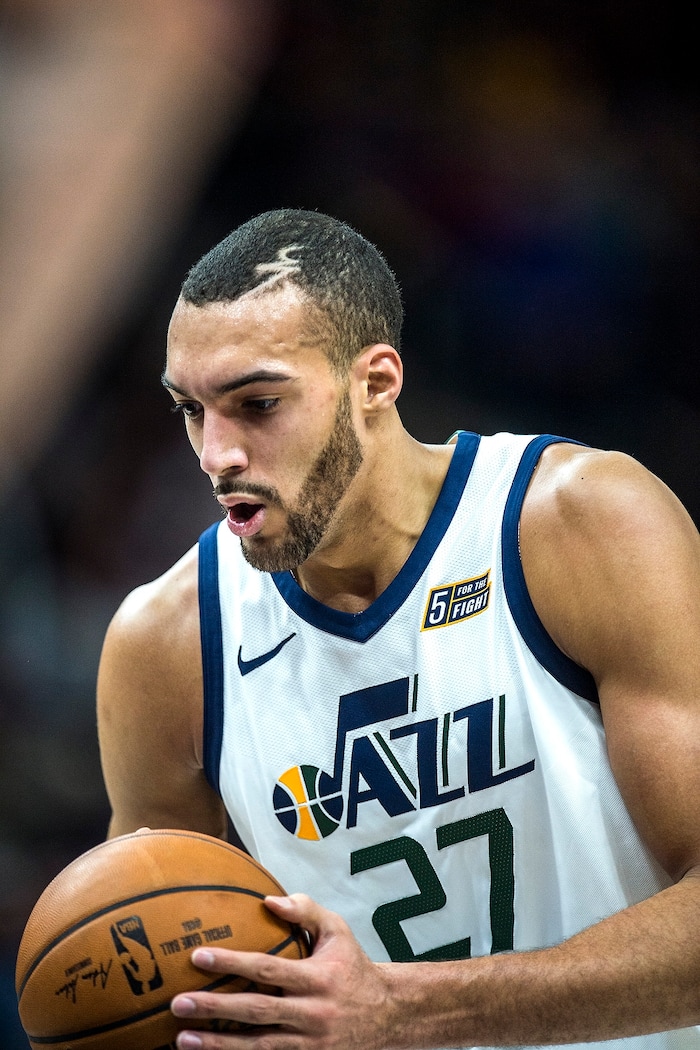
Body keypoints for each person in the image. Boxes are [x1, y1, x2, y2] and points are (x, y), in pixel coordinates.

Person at [96, 209, 700, 1050]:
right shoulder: (166, 646)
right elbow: (167, 989)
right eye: (192, 410)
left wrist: (405, 1011)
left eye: (257, 403)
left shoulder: (578, 525)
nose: (215, 454)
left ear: (375, 383)